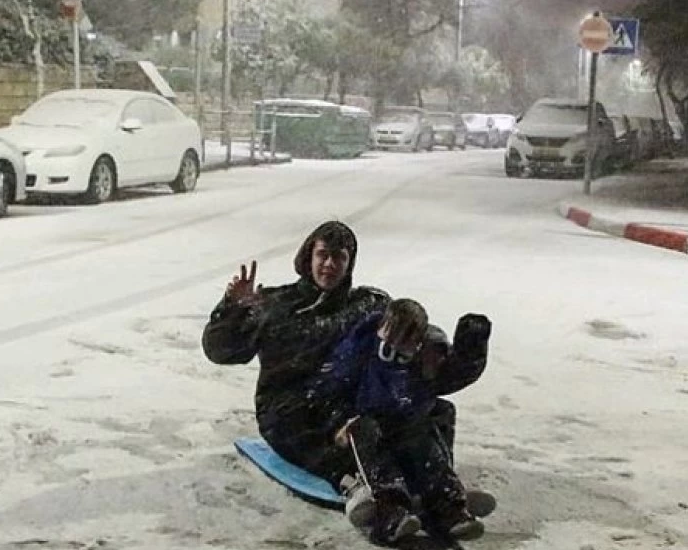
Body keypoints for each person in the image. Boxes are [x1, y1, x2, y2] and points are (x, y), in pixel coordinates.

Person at [201, 222, 495, 525]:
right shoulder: (276, 305)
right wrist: (232, 309)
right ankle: (385, 504)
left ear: (349, 262)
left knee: (427, 412)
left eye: (338, 257)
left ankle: (443, 496)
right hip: (289, 413)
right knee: (364, 434)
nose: (329, 264)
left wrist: (424, 325)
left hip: (348, 402)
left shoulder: (367, 305)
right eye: (323, 255)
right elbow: (220, 351)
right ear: (308, 258)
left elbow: (404, 336)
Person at [308, 299, 488, 544]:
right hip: (363, 434)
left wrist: (471, 346)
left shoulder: (422, 360)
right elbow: (330, 389)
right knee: (366, 430)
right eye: (391, 334)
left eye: (406, 339)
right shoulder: (359, 350)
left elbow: (452, 377)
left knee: (428, 428)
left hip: (403, 428)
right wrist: (338, 423)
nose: (394, 345)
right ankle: (390, 508)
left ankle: (449, 505)